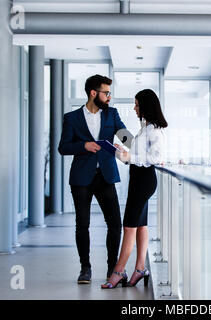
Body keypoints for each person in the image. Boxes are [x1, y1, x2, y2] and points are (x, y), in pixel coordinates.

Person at [58, 74, 126, 284]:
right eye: (106, 93)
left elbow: (126, 137)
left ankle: (112, 269)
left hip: (106, 176)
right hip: (81, 178)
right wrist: (83, 146)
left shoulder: (112, 114)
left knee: (115, 224)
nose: (109, 97)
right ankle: (85, 268)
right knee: (82, 224)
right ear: (93, 93)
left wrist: (130, 147)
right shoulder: (72, 118)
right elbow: (63, 147)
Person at [101, 89, 167, 289]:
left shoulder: (155, 129)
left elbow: (156, 158)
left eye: (137, 104)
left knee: (129, 226)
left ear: (146, 106)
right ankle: (140, 269)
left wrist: (131, 158)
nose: (134, 108)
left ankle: (118, 272)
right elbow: (140, 155)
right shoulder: (144, 127)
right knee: (140, 225)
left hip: (145, 181)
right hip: (138, 179)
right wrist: (124, 153)